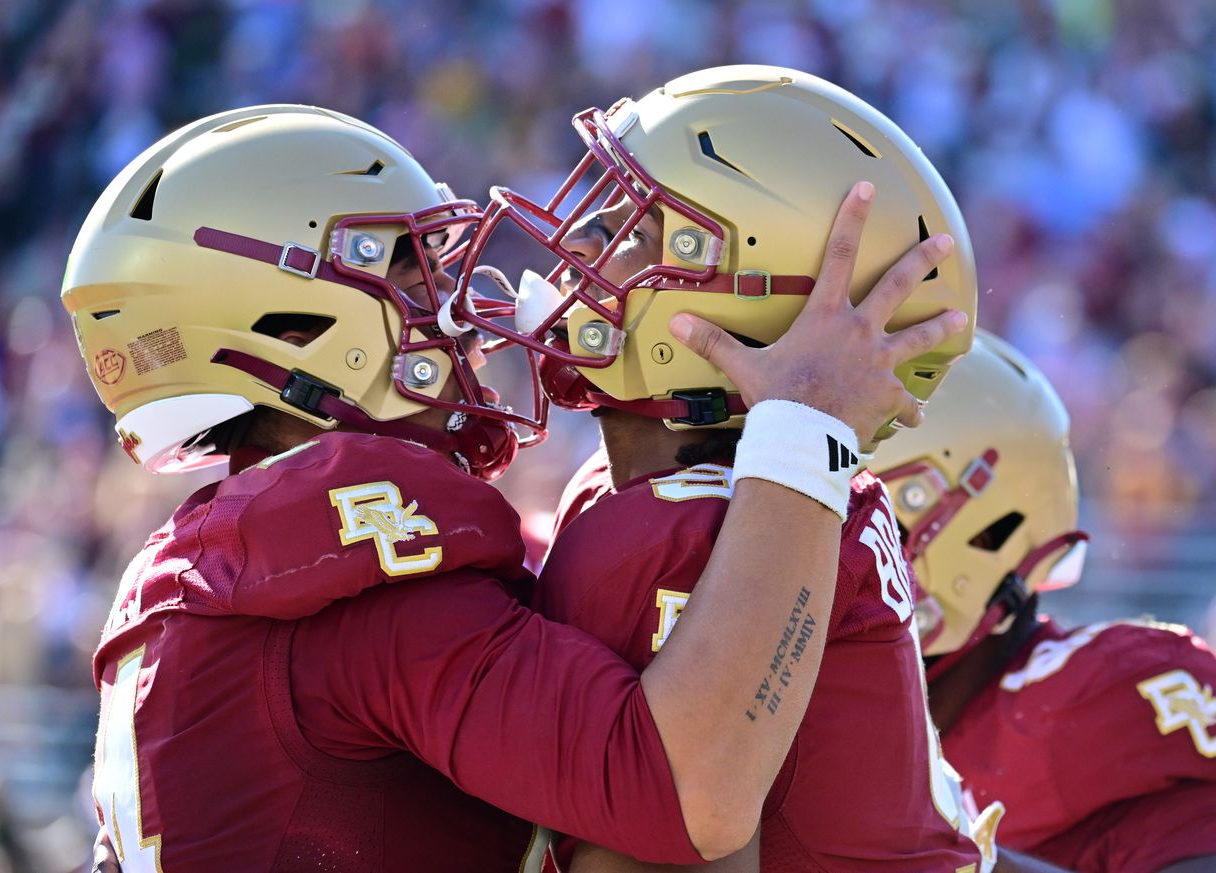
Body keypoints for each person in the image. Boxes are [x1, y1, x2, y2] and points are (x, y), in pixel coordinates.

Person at [67, 104, 963, 872]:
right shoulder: (342, 569)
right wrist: (804, 437)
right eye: (416, 272)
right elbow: (684, 792)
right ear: (291, 321)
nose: (463, 309)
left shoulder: (213, 556)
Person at [451, 65, 1066, 872]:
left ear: (749, 301)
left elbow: (681, 827)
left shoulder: (687, 521)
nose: (584, 241)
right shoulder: (759, 490)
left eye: (639, 227)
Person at [869, 329, 1216, 873]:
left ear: (988, 531)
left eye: (859, 518)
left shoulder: (1100, 696)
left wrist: (962, 860)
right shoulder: (842, 715)